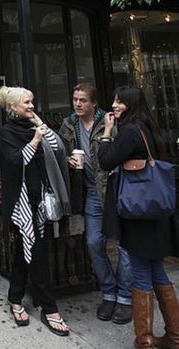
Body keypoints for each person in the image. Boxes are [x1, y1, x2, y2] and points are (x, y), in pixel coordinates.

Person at [98, 86, 179, 349]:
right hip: (154, 212)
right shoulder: (149, 127)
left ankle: (144, 343)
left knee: (142, 273)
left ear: (130, 104)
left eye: (119, 101)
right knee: (158, 271)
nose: (114, 105)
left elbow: (106, 160)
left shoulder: (131, 130)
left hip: (137, 212)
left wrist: (107, 133)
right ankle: (174, 336)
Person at [0, 85, 70, 336]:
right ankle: (49, 308)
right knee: (36, 250)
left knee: (24, 249)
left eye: (32, 101)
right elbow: (17, 160)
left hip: (39, 199)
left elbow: (57, 148)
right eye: (26, 103)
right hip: (22, 202)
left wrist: (40, 127)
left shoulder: (33, 126)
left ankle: (15, 297)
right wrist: (35, 138)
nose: (31, 106)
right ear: (13, 107)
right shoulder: (7, 133)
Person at [59, 83, 132, 324]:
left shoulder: (110, 122)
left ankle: (124, 297)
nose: (77, 104)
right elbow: (60, 150)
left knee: (125, 245)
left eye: (83, 100)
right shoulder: (69, 124)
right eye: (75, 99)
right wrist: (68, 159)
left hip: (114, 190)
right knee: (93, 242)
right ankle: (108, 291)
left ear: (94, 103)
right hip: (91, 191)